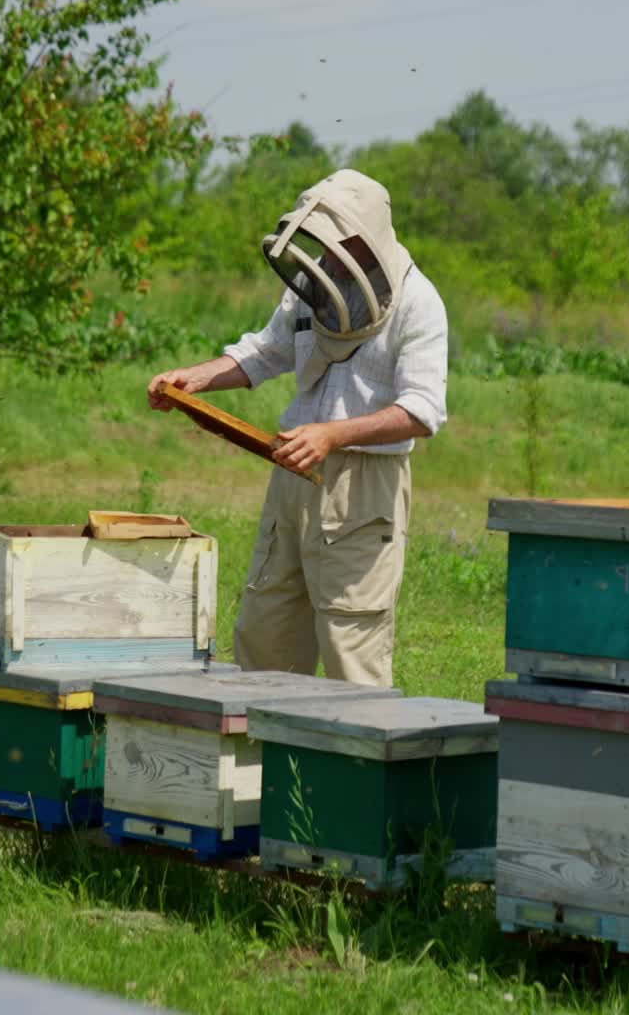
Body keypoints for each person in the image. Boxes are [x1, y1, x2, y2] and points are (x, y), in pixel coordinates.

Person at [147, 169, 448, 687]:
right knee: (267, 633)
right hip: (289, 475)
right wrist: (192, 379)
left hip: (362, 488)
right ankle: (264, 765)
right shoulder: (311, 285)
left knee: (351, 647)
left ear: (367, 237)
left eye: (339, 243)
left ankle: (354, 765)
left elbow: (422, 410)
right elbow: (265, 352)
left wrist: (331, 435)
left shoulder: (418, 302)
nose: (326, 255)